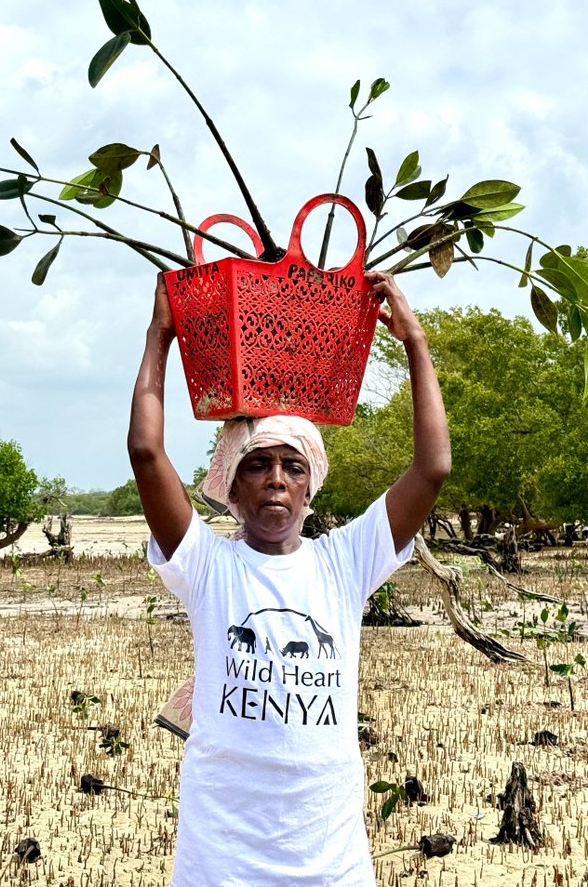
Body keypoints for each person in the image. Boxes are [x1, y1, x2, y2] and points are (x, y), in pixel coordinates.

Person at [127, 270, 450, 886]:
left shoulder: (344, 562)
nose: (276, 478)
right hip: (222, 856)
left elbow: (432, 469)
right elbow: (146, 453)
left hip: (328, 858)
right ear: (231, 487)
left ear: (310, 485)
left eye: (291, 466)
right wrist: (160, 333)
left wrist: (414, 342)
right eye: (258, 465)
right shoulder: (206, 566)